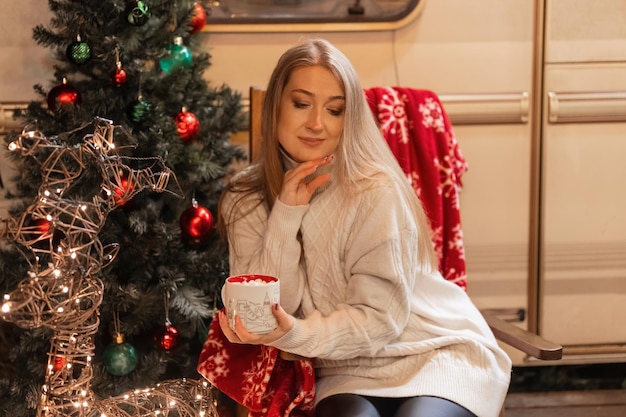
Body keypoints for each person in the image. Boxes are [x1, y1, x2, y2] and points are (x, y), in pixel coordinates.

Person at [215, 38, 512, 417]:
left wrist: (295, 334)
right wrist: (286, 214)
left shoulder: (375, 189)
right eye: (301, 103)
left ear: (350, 117)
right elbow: (270, 310)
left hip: (434, 352)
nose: (317, 123)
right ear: (276, 107)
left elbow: (381, 321)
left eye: (335, 110)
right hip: (344, 369)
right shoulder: (245, 198)